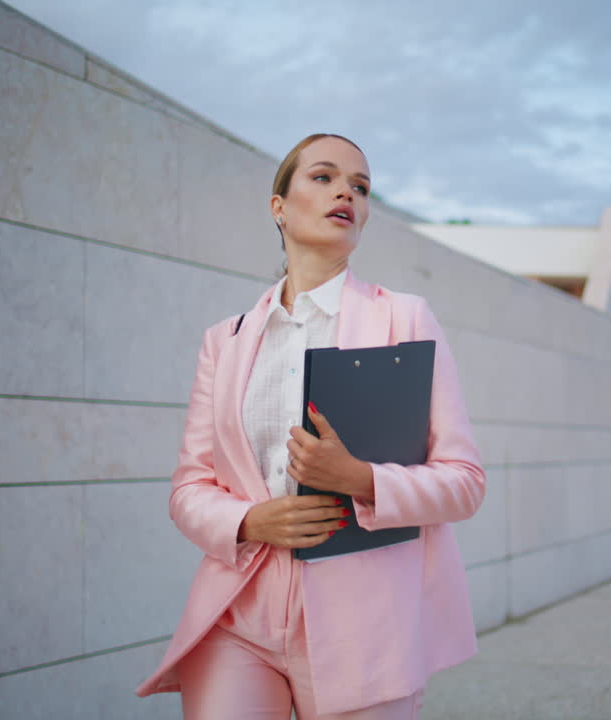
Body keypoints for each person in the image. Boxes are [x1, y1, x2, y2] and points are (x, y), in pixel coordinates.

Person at [135, 133, 486, 719]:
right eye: (323, 177)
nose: (346, 190)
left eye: (361, 186)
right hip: (240, 615)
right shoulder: (225, 341)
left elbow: (465, 480)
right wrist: (249, 519)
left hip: (365, 628)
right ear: (279, 206)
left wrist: (361, 478)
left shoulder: (403, 318)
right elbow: (189, 488)